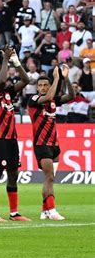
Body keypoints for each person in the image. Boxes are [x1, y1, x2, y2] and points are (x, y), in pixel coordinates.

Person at [0, 46, 31, 222]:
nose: (9, 81)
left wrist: (16, 62)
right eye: (6, 80)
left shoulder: (8, 94)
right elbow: (2, 79)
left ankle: (14, 213)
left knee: (13, 174)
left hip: (12, 139)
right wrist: (5, 59)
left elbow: (26, 80)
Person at [28, 65, 75, 220]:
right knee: (49, 177)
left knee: (49, 178)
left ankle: (44, 211)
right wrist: (56, 78)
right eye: (40, 85)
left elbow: (71, 96)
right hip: (41, 145)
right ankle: (52, 210)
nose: (42, 88)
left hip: (54, 145)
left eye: (45, 85)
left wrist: (66, 78)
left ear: (49, 87)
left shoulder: (53, 100)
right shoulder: (34, 99)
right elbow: (47, 97)